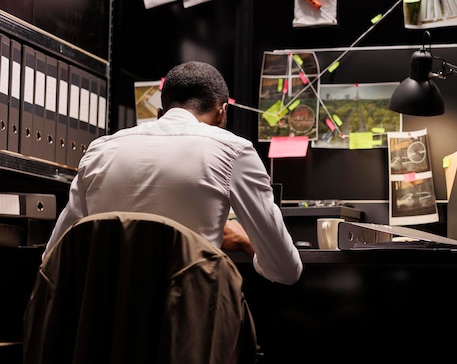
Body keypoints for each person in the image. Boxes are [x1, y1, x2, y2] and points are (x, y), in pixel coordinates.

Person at [43, 61, 302, 285]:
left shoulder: (99, 150)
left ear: (158, 113)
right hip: (186, 332)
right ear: (223, 114)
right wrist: (246, 242)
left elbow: (51, 257)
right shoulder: (235, 150)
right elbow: (285, 270)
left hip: (102, 331)